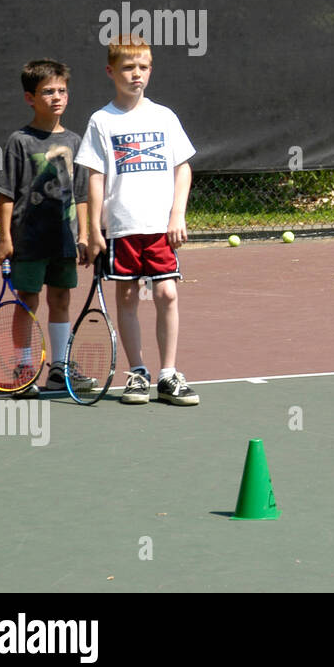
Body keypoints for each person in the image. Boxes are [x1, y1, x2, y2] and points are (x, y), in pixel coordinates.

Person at [77, 34, 199, 405]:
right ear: (110, 71)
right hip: (121, 227)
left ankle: (168, 374)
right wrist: (94, 229)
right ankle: (137, 373)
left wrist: (177, 214)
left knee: (166, 292)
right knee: (127, 296)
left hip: (160, 227)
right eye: (128, 68)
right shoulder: (101, 120)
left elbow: (183, 169)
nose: (136, 75)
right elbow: (94, 177)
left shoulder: (164, 117)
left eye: (143, 67)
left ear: (151, 71)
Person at [0, 59, 93, 394]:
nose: (56, 96)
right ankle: (24, 368)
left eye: (62, 90)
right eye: (48, 91)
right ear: (30, 98)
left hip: (63, 241)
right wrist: (5, 238)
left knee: (61, 299)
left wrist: (86, 236)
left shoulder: (76, 141)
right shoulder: (19, 141)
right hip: (29, 241)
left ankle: (59, 368)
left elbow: (81, 195)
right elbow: (6, 194)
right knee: (27, 301)